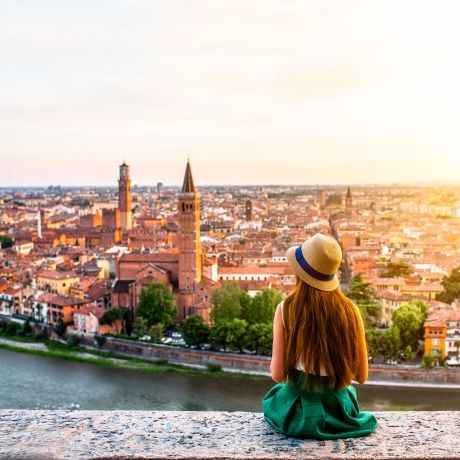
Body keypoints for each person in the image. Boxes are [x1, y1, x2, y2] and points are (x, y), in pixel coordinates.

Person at [262, 233, 377, 439]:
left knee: (274, 397)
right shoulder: (351, 311)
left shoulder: (285, 309)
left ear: (300, 273)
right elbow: (361, 376)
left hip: (298, 413)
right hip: (339, 412)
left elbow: (277, 375)